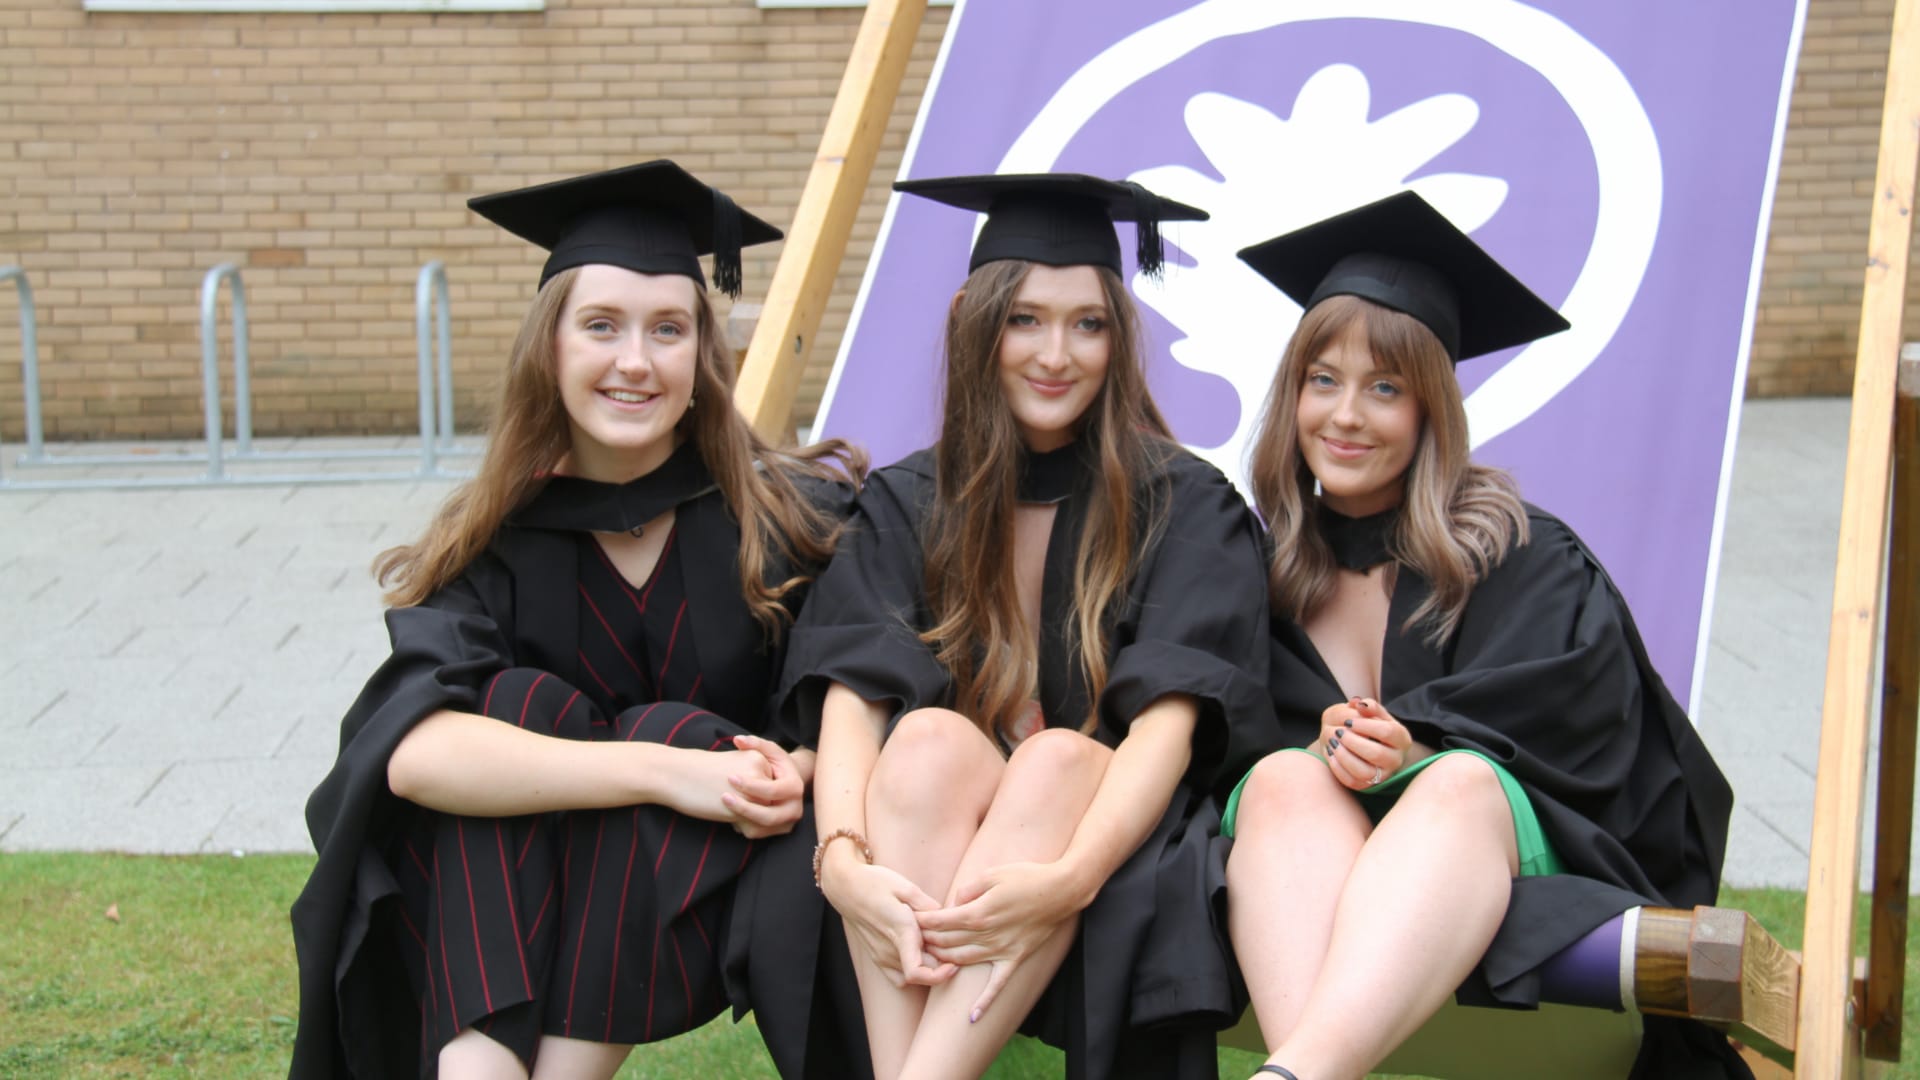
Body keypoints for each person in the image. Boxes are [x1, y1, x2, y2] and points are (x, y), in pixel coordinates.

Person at [287, 161, 865, 1080]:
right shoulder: (496, 541)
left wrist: (783, 767)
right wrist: (660, 774)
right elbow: (412, 753)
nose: (635, 361)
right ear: (548, 348)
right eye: (601, 326)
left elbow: (861, 694)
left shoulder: (792, 521)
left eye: (668, 330)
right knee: (518, 708)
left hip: (712, 879)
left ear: (703, 357)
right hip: (529, 884)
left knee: (673, 727)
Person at [1221, 191, 1742, 1080]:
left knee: (1459, 782)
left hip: (1489, 867)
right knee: (1279, 778)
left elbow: (1593, 740)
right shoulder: (1257, 576)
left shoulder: (1516, 553)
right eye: (1323, 380)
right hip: (1302, 871)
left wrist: (1416, 748)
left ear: (1432, 413)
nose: (1346, 415)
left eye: (1385, 388)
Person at [777, 173, 1275, 1080]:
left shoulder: (1185, 502)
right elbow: (853, 689)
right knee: (923, 739)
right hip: (938, 819)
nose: (1058, 353)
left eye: (1088, 323)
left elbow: (1171, 718)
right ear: (977, 318)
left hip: (1111, 825)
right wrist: (841, 860)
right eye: (1026, 320)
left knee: (1054, 758)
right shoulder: (911, 498)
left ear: (1119, 337)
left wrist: (1074, 875)